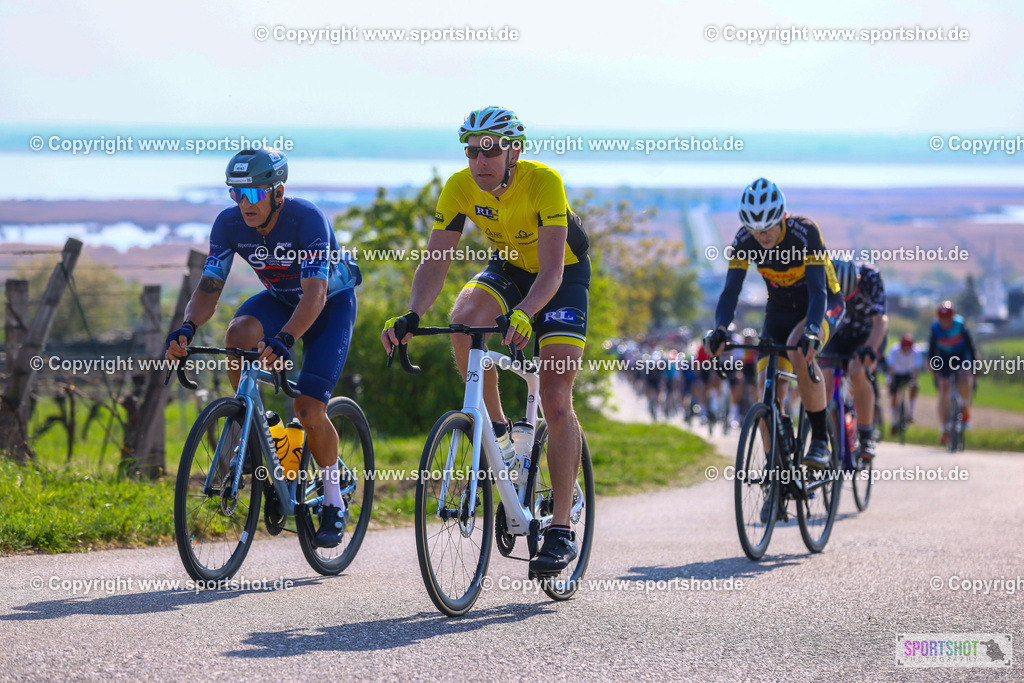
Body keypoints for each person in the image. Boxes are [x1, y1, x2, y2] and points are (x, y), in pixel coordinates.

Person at [381, 106, 590, 576]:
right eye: (472, 150)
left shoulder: (544, 182)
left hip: (563, 275)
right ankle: (497, 430)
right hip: (511, 268)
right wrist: (413, 313)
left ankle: (559, 530)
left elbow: (553, 271)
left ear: (514, 149)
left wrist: (525, 314)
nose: (480, 160)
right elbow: (435, 263)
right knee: (465, 319)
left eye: (491, 149)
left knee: (555, 399)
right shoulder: (459, 187)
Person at [165, 148, 361, 549]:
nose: (245, 204)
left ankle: (332, 499)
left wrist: (285, 339)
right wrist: (186, 327)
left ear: (278, 192)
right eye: (237, 194)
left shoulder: (306, 220)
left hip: (326, 305)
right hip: (280, 300)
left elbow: (315, 295)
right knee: (238, 334)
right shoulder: (228, 223)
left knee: (308, 409)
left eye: (254, 194)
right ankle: (255, 419)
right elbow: (209, 287)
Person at [706, 178, 844, 470]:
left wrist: (811, 331)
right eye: (755, 230)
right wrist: (720, 329)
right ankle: (776, 475)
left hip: (821, 305)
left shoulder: (805, 232)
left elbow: (819, 291)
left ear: (782, 217)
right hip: (779, 310)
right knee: (765, 388)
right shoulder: (744, 241)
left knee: (798, 349)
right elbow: (731, 291)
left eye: (767, 228)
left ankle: (820, 440)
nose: (762, 236)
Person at [820, 260, 888, 462]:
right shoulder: (822, 276)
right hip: (836, 335)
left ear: (857, 280)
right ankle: (833, 437)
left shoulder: (871, 277)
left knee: (858, 371)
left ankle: (866, 436)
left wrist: (870, 348)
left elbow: (880, 320)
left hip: (866, 334)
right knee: (825, 378)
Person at [928, 301, 977, 444]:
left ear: (952, 317)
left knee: (965, 378)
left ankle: (965, 406)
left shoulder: (960, 325)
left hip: (961, 356)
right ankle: (944, 428)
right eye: (942, 319)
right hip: (944, 358)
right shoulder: (935, 329)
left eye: (948, 319)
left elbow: (971, 347)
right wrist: (934, 369)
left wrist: (974, 367)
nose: (945, 322)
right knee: (943, 390)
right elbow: (932, 352)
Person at [887, 332, 921, 429]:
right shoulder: (894, 350)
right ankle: (894, 421)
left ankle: (911, 412)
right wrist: (891, 381)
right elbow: (890, 367)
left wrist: (913, 380)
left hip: (908, 373)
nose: (906, 350)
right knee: (894, 394)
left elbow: (916, 368)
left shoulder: (916, 351)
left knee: (915, 387)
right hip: (896, 374)